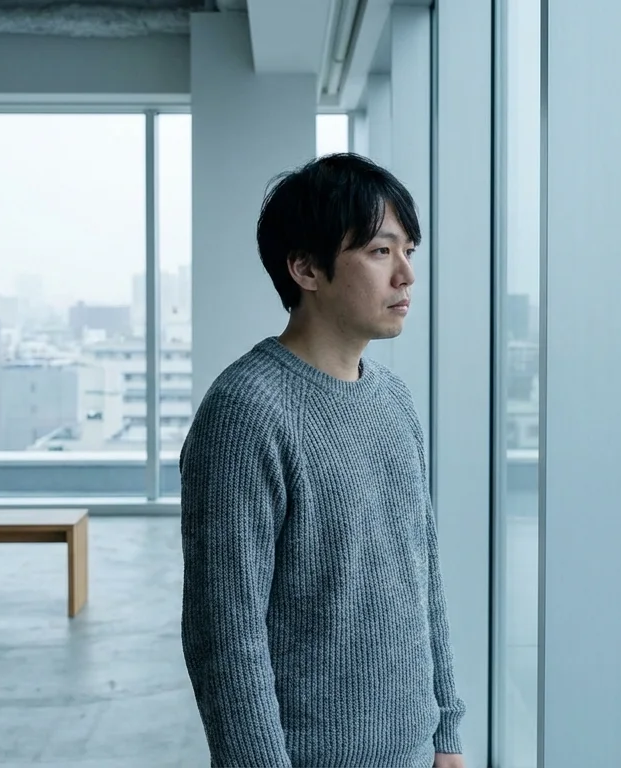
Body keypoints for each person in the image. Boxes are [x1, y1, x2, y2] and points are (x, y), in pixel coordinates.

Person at [179, 153, 467, 768]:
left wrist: (446, 734)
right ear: (306, 268)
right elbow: (226, 637)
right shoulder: (244, 413)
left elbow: (424, 577)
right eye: (379, 251)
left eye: (409, 250)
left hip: (415, 752)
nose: (407, 276)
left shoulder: (392, 398)